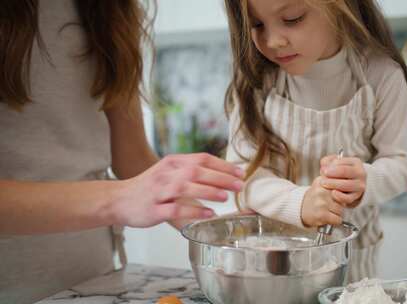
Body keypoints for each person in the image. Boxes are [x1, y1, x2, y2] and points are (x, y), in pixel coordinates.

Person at [0, 1, 244, 303]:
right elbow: (126, 193)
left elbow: (132, 158)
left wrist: (213, 231)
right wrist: (118, 199)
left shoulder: (111, 9)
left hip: (93, 279)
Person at [223, 0, 407, 282]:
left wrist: (366, 179)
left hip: (351, 267)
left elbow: (402, 163)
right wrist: (299, 202)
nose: (274, 40)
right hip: (271, 269)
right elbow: (243, 178)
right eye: (257, 25)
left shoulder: (381, 75)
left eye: (292, 19)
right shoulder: (256, 82)